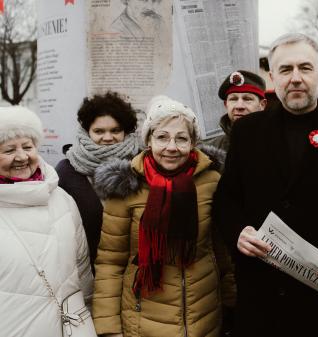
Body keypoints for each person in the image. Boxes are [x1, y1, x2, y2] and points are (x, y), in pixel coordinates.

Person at [212, 33, 318, 337]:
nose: (296, 78)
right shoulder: (247, 132)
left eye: (305, 68)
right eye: (286, 70)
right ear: (272, 77)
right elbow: (227, 198)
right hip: (261, 299)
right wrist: (238, 231)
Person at [92, 95, 234, 337]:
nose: (171, 147)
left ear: (193, 143)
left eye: (181, 138)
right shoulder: (127, 187)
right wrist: (109, 328)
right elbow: (110, 262)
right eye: (162, 137)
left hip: (204, 318)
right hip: (143, 320)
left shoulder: (212, 181)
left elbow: (221, 248)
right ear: (148, 140)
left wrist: (231, 302)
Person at [0, 106, 94, 337]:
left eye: (28, 147)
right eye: (9, 150)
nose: (21, 157)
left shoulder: (62, 199)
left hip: (75, 328)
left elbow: (82, 269)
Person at [56, 91, 139, 270]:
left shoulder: (141, 164)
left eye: (115, 130)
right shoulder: (67, 171)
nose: (108, 138)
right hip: (89, 271)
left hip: (139, 270)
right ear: (87, 131)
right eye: (99, 131)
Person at [201, 70, 267, 172]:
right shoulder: (210, 150)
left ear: (262, 105)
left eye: (247, 99)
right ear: (226, 104)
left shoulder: (279, 144)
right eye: (233, 99)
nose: (239, 106)